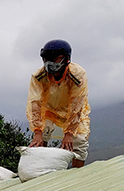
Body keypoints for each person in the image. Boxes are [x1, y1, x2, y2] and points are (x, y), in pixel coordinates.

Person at [26, 39, 90, 168]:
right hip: (48, 110)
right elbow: (35, 103)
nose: (50, 63)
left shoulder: (77, 75)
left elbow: (76, 104)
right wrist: (37, 132)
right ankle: (40, 168)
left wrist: (69, 133)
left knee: (79, 142)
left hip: (72, 111)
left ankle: (78, 176)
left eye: (55, 59)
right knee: (42, 134)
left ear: (66, 59)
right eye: (46, 59)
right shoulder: (38, 76)